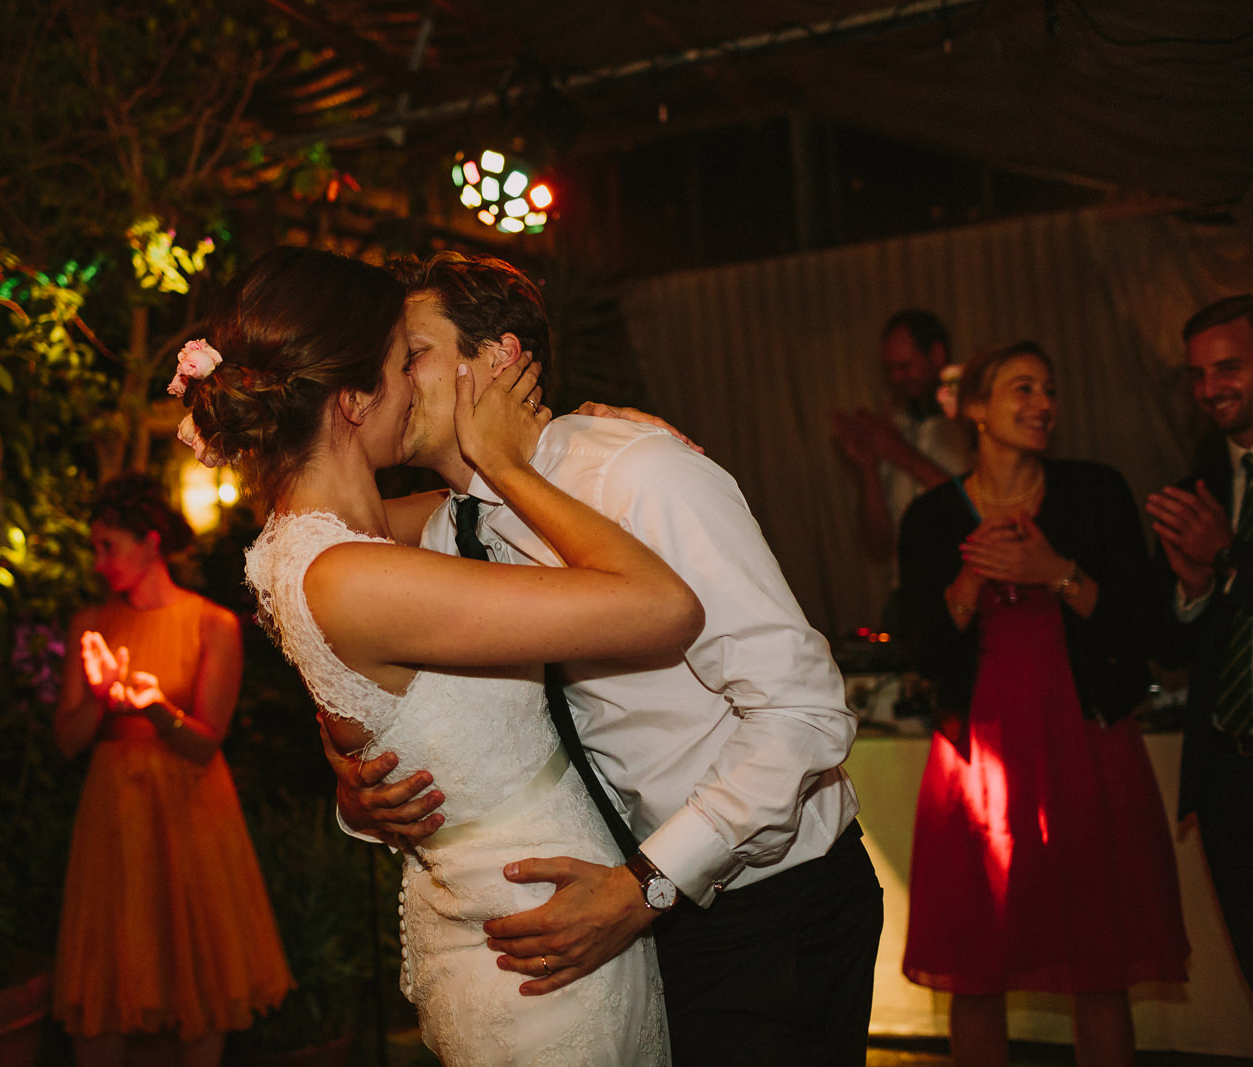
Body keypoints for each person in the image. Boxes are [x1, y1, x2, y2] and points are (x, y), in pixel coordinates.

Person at [332, 251, 883, 1066]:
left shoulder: (640, 474)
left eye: (411, 353)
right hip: (629, 915)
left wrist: (648, 884)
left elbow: (804, 714)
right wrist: (362, 796)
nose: (393, 380)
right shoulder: (455, 532)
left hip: (771, 909)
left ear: (500, 356)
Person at [182, 245, 703, 1065]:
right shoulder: (356, 576)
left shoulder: (324, 543)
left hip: (515, 927)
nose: (418, 383)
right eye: (403, 362)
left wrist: (578, 440)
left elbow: (480, 510)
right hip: (542, 958)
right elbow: (664, 609)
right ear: (354, 399)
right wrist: (501, 457)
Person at [896, 342, 1188, 1067]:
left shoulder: (1094, 492)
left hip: (1085, 742)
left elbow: (1147, 628)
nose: (1043, 403)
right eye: (1022, 388)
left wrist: (1055, 572)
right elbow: (921, 652)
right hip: (980, 760)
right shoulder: (933, 517)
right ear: (975, 411)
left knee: (1101, 958)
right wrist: (967, 584)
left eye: (1050, 390)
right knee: (977, 962)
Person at [51, 473, 292, 1067]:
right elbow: (65, 742)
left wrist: (154, 708)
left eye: (109, 546)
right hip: (113, 812)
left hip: (189, 809)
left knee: (199, 974)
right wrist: (104, 700)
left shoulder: (212, 624)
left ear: (150, 542)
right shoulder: (90, 623)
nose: (99, 562)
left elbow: (205, 744)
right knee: (110, 971)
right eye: (95, 548)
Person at [1145, 293, 1253, 988]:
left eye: (1231, 367)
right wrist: (1191, 589)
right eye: (1199, 374)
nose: (1212, 388)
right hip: (1229, 778)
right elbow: (1170, 647)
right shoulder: (1198, 487)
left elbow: (1230, 565)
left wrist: (1226, 561)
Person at [833, 309, 972, 562]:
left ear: (937, 355)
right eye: (890, 370)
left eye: (904, 366)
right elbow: (877, 544)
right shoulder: (894, 427)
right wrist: (869, 467)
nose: (896, 378)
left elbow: (972, 509)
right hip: (906, 590)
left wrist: (898, 452)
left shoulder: (972, 424)